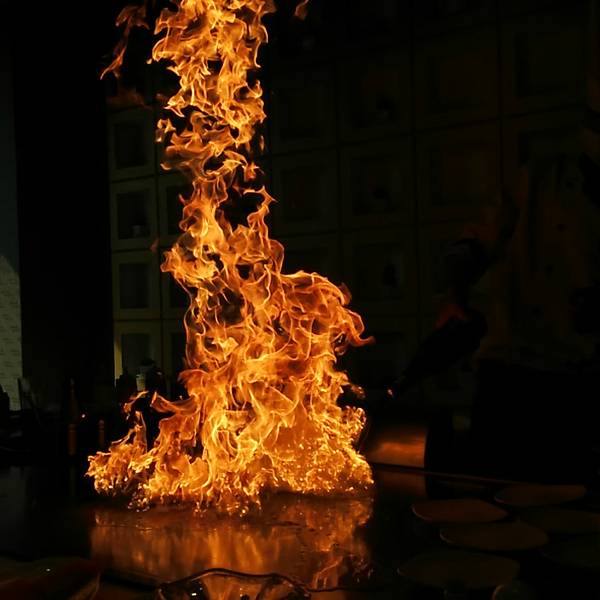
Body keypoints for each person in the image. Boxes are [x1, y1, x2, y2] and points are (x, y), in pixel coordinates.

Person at [395, 1, 600, 481]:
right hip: (511, 373)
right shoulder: (541, 180)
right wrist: (455, 292)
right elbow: (471, 244)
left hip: (585, 384)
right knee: (492, 493)